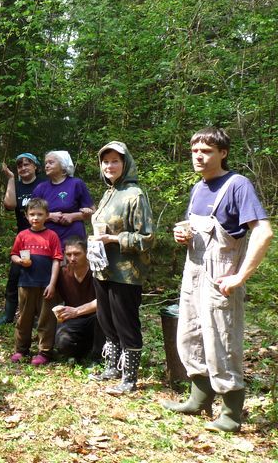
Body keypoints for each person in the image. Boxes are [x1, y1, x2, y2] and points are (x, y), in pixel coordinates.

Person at [162, 128, 272, 433]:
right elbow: (196, 230)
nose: (198, 156)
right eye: (195, 150)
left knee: (221, 341)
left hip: (220, 279)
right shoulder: (198, 188)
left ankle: (231, 414)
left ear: (223, 153)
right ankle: (198, 399)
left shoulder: (237, 185)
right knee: (190, 335)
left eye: (207, 150)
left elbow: (263, 232)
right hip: (193, 272)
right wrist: (182, 235)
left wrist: (240, 276)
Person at [89, 141, 154, 395]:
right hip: (103, 268)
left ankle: (130, 378)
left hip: (126, 272)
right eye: (105, 162)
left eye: (115, 161)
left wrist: (114, 239)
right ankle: (112, 368)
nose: (109, 166)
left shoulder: (135, 194)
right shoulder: (109, 193)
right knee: (106, 320)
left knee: (125, 323)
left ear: (125, 163)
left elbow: (147, 238)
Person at [9, 198, 62, 366]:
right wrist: (19, 261)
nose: (35, 218)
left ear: (47, 215)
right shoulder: (22, 235)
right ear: (26, 216)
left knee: (46, 318)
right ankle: (21, 349)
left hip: (46, 285)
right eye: (32, 214)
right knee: (24, 318)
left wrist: (52, 284)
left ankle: (44, 351)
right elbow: (14, 254)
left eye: (39, 214)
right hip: (26, 283)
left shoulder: (52, 236)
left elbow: (56, 260)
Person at [0, 152, 44, 325]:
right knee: (15, 275)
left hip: (43, 238)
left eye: (27, 164)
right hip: (24, 239)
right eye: (20, 165)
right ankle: (8, 315)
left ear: (35, 166)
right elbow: (9, 205)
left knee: (39, 276)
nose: (23, 168)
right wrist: (10, 179)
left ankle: (38, 316)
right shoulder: (17, 185)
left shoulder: (43, 184)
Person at [52, 236, 105, 363]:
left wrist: (76, 311)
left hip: (95, 319)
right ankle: (82, 352)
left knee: (103, 316)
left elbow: (104, 300)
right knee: (63, 342)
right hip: (73, 321)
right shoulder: (62, 273)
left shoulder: (97, 272)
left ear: (86, 253)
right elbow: (54, 298)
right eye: (68, 254)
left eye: (77, 254)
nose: (72, 258)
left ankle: (97, 357)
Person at [32, 150, 94, 247]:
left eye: (51, 162)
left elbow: (93, 212)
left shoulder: (76, 184)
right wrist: (50, 216)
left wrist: (73, 216)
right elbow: (30, 215)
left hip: (74, 242)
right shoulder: (41, 188)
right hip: (47, 241)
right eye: (46, 163)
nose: (47, 166)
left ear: (63, 165)